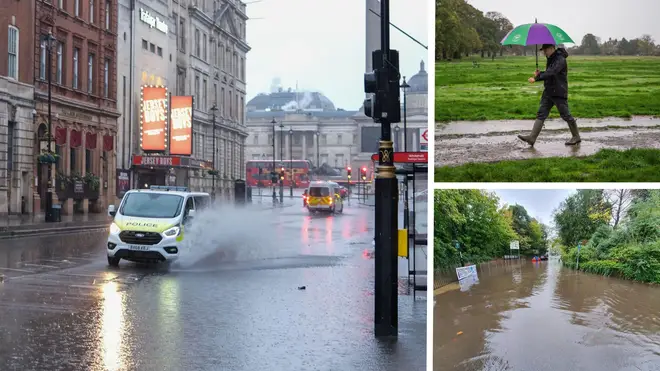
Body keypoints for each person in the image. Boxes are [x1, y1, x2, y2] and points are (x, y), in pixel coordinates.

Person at [518, 44, 581, 146]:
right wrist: (540, 73)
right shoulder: (551, 58)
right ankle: (532, 138)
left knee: (566, 115)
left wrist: (537, 78)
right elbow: (549, 72)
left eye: (545, 50)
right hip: (549, 91)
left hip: (558, 92)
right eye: (543, 51)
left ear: (552, 48)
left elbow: (552, 72)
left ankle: (576, 136)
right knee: (541, 113)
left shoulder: (560, 59)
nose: (544, 53)